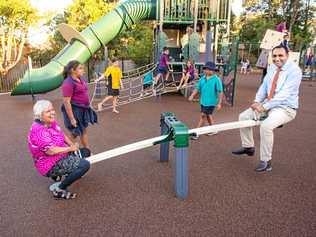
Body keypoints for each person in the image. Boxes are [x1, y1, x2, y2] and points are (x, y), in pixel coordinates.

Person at [232, 45, 302, 172]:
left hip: (285, 108)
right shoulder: (272, 68)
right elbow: (264, 87)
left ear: (288, 55)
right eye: (274, 56)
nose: (277, 59)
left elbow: (284, 95)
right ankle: (248, 147)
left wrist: (264, 107)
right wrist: (257, 101)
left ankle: (266, 161)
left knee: (266, 126)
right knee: (243, 117)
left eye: (281, 55)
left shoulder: (295, 71)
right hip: (268, 104)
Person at [28, 100, 91, 199]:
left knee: (86, 152)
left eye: (52, 109)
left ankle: (62, 174)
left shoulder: (49, 122)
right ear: (40, 115)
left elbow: (61, 134)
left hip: (60, 155)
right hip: (49, 164)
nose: (52, 112)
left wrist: (72, 146)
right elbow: (50, 151)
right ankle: (60, 189)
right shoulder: (39, 131)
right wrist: (70, 148)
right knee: (84, 165)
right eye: (48, 111)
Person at [61, 60, 97, 149]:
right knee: (75, 133)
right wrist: (72, 118)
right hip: (75, 110)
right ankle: (65, 150)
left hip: (83, 109)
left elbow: (83, 93)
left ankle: (87, 150)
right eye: (80, 68)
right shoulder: (68, 83)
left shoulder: (80, 79)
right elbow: (66, 102)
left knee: (83, 130)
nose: (83, 70)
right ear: (73, 70)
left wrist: (88, 105)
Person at [188, 61, 224, 140]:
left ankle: (196, 132)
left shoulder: (216, 79)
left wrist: (219, 103)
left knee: (203, 116)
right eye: (207, 69)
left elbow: (220, 91)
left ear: (213, 71)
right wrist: (192, 95)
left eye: (211, 69)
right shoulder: (202, 79)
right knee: (208, 116)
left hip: (211, 102)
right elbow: (197, 88)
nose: (209, 71)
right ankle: (214, 130)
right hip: (203, 101)